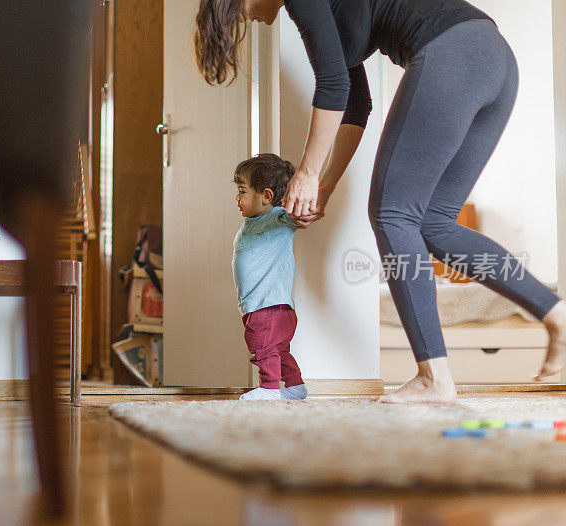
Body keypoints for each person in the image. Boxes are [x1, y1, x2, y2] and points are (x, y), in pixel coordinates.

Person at [194, 0, 566, 403]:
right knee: (434, 223)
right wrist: (326, 185)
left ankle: (433, 376)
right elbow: (356, 104)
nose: (244, 19)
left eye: (234, 13)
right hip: (492, 58)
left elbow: (333, 88)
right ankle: (557, 314)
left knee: (393, 215)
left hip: (451, 52)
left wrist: (307, 173)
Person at [233, 154, 308, 401]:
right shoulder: (252, 222)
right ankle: (295, 386)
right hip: (269, 306)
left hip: (268, 305)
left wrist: (304, 201)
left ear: (266, 196)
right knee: (278, 350)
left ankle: (269, 387)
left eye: (242, 192)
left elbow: (296, 215)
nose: (237, 198)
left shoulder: (278, 218)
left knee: (263, 347)